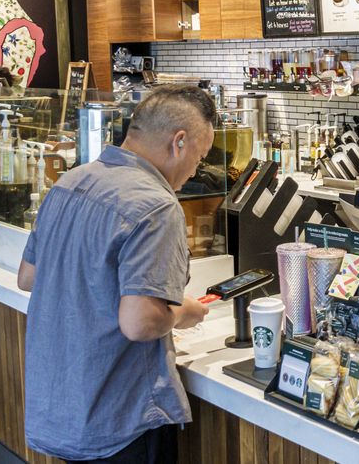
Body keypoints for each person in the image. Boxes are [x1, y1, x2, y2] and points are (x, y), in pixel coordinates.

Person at [16, 85, 217, 463]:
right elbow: (140, 323)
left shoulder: (69, 182)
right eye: (200, 156)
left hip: (62, 407)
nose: (195, 170)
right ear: (179, 142)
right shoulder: (156, 206)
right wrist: (184, 311)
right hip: (119, 418)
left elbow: (28, 277)